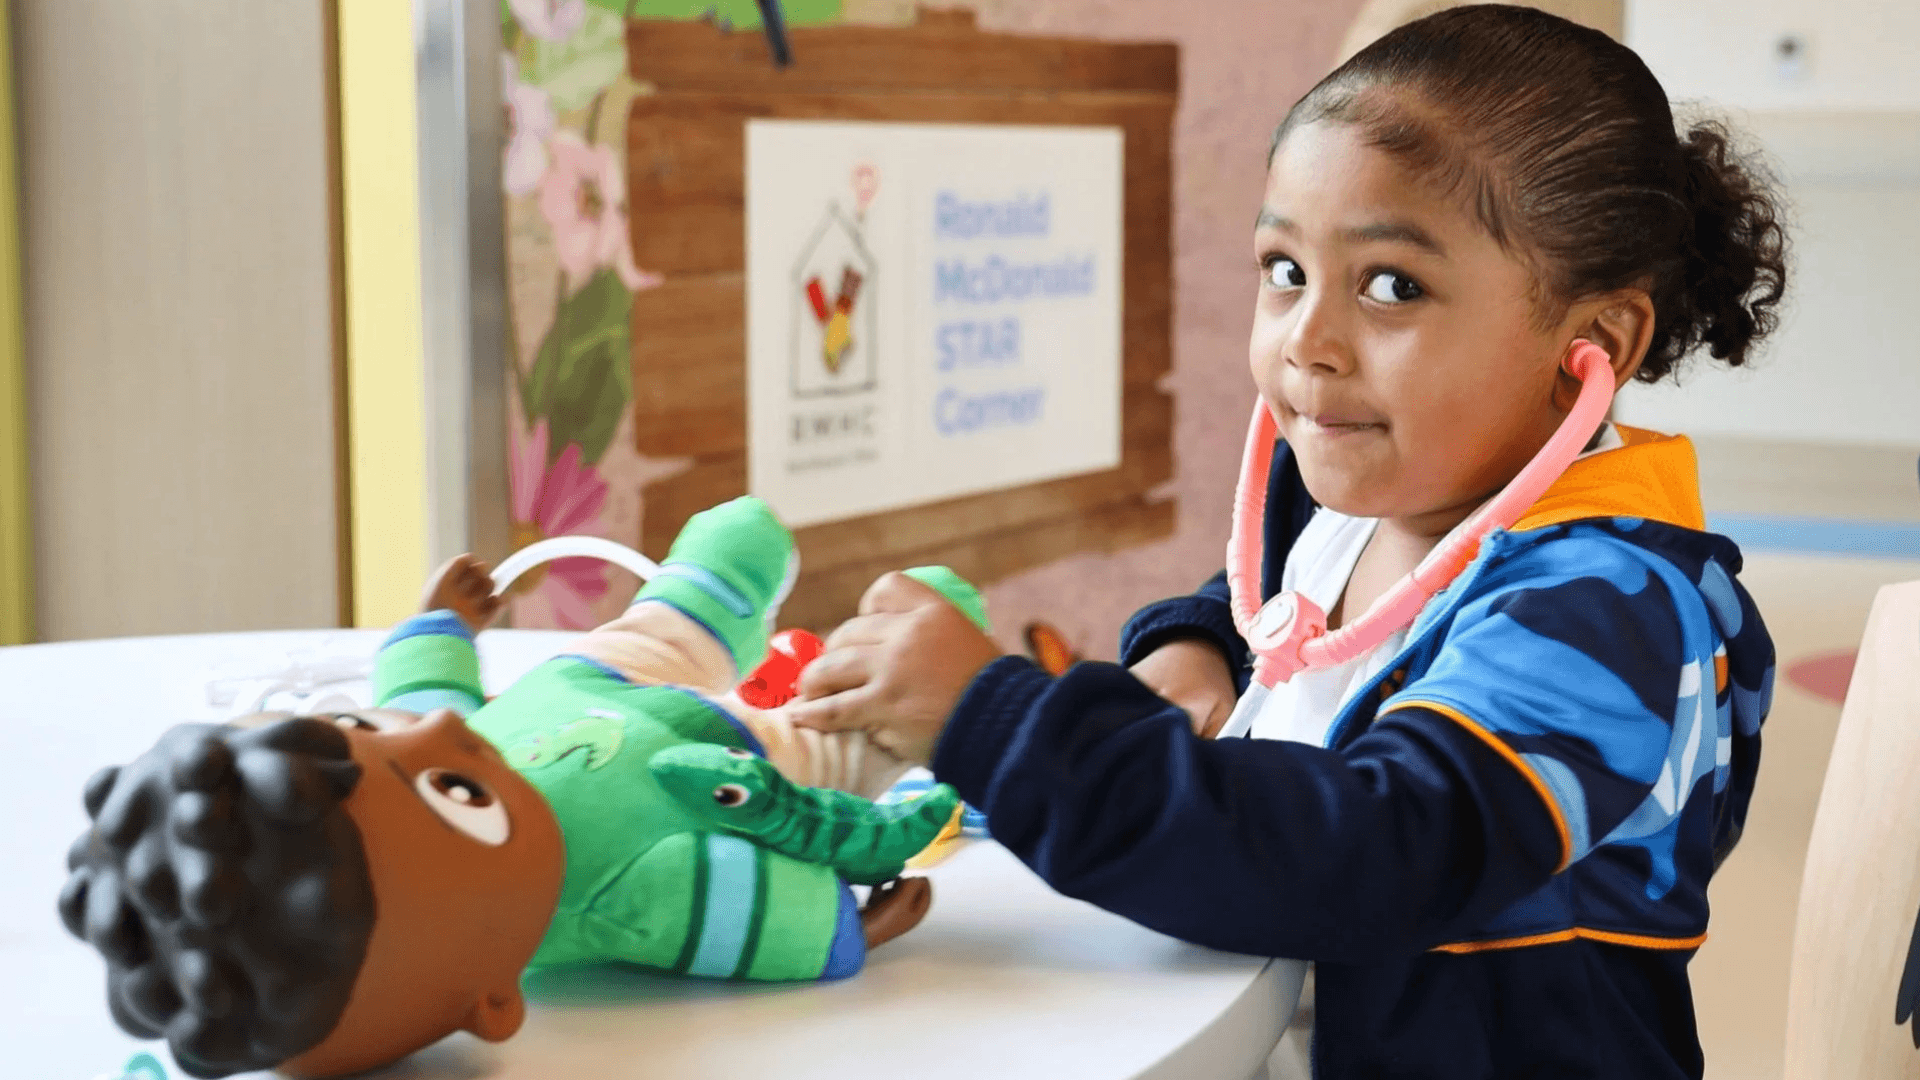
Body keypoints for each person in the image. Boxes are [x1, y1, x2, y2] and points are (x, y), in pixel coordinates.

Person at [784, 7, 1786, 1077]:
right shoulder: (1376, 498)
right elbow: (1266, 605)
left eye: (1392, 286)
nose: (1308, 340)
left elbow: (1369, 854)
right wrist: (1194, 651)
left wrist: (1000, 724)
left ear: (1592, 345)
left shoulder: (1608, 611)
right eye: (1284, 268)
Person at [61, 497, 975, 1079]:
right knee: (855, 714)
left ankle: (709, 598)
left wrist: (438, 624)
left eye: (364, 733)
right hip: (747, 752)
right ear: (493, 1000)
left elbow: (422, 696)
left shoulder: (447, 739)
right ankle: (890, 649)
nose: (444, 732)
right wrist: (848, 920)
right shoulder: (623, 894)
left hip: (591, 681)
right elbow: (753, 914)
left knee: (656, 629)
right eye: (455, 793)